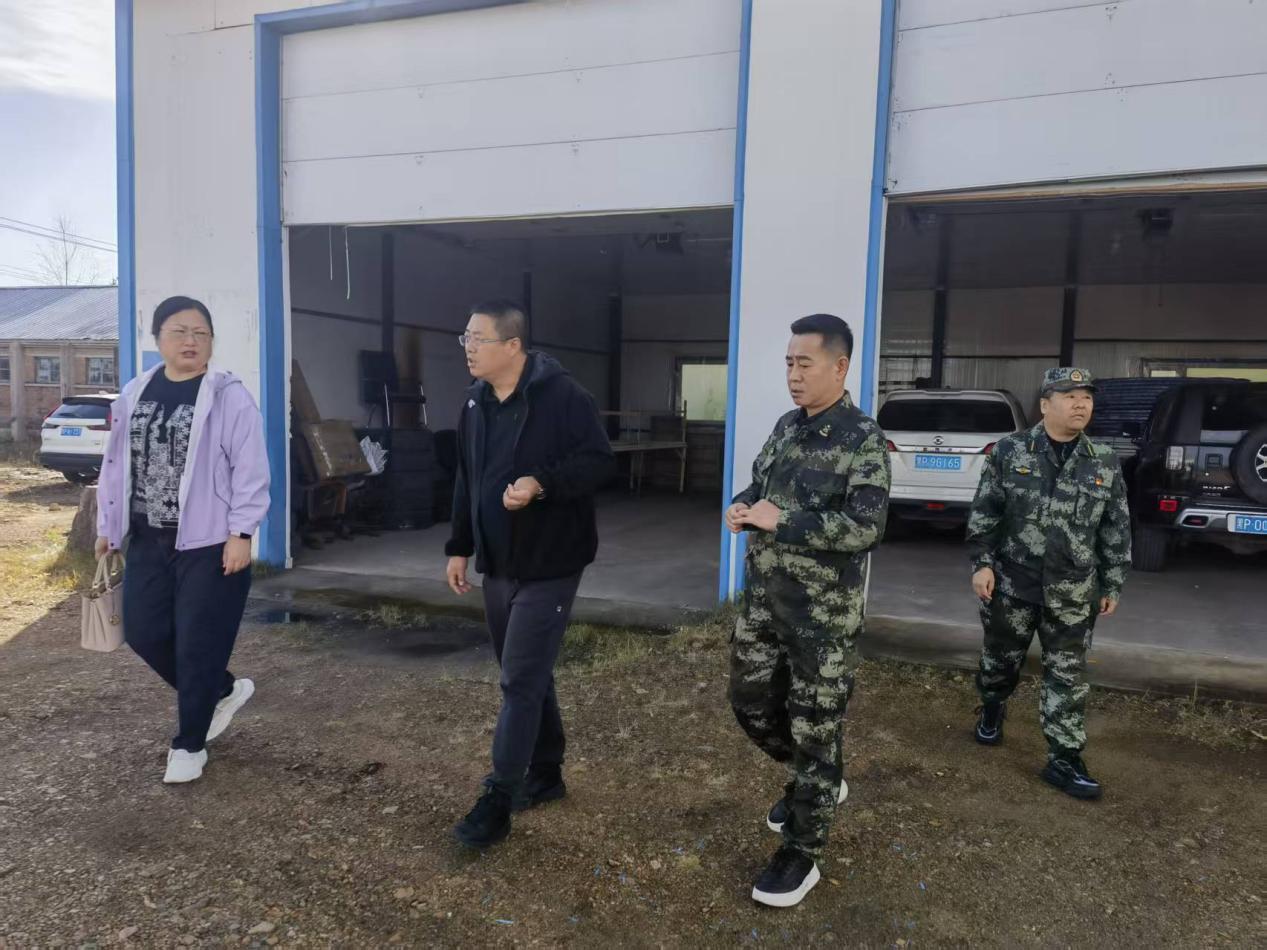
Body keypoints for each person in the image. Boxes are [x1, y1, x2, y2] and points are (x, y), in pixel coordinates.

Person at [725, 313, 890, 908]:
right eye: (789, 363)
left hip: (823, 619)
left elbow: (866, 528)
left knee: (815, 727)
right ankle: (817, 780)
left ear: (840, 367)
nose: (794, 375)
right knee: (749, 703)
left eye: (805, 364)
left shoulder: (864, 438)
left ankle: (802, 850)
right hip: (764, 602)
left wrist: (783, 521)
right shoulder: (786, 426)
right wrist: (744, 505)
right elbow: (760, 487)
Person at [445, 300, 615, 849]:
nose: (469, 348)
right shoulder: (474, 404)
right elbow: (467, 480)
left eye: (479, 338)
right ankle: (546, 773)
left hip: (551, 562)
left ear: (513, 346)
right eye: (466, 338)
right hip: (498, 563)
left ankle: (499, 798)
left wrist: (541, 483)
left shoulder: (563, 397)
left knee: (518, 679)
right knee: (526, 671)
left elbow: (598, 461)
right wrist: (459, 547)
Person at [95, 296, 269, 784]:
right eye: (179, 331)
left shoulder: (228, 396)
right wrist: (108, 527)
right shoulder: (136, 392)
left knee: (198, 644)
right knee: (143, 632)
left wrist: (241, 532)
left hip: (209, 544)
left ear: (211, 342)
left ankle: (189, 745)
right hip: (147, 538)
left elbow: (251, 470)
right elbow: (116, 465)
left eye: (201, 333)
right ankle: (222, 690)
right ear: (157, 339)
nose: (191, 341)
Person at [966, 367, 1130, 800]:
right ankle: (992, 705)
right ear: (1045, 404)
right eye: (1070, 396)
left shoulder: (1103, 460)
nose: (1081, 404)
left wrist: (1112, 581)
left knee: (1068, 676)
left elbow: (1115, 527)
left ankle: (1064, 757)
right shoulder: (1010, 451)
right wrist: (982, 564)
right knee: (999, 663)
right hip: (1012, 586)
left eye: (1086, 397)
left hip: (1073, 591)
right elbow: (985, 512)